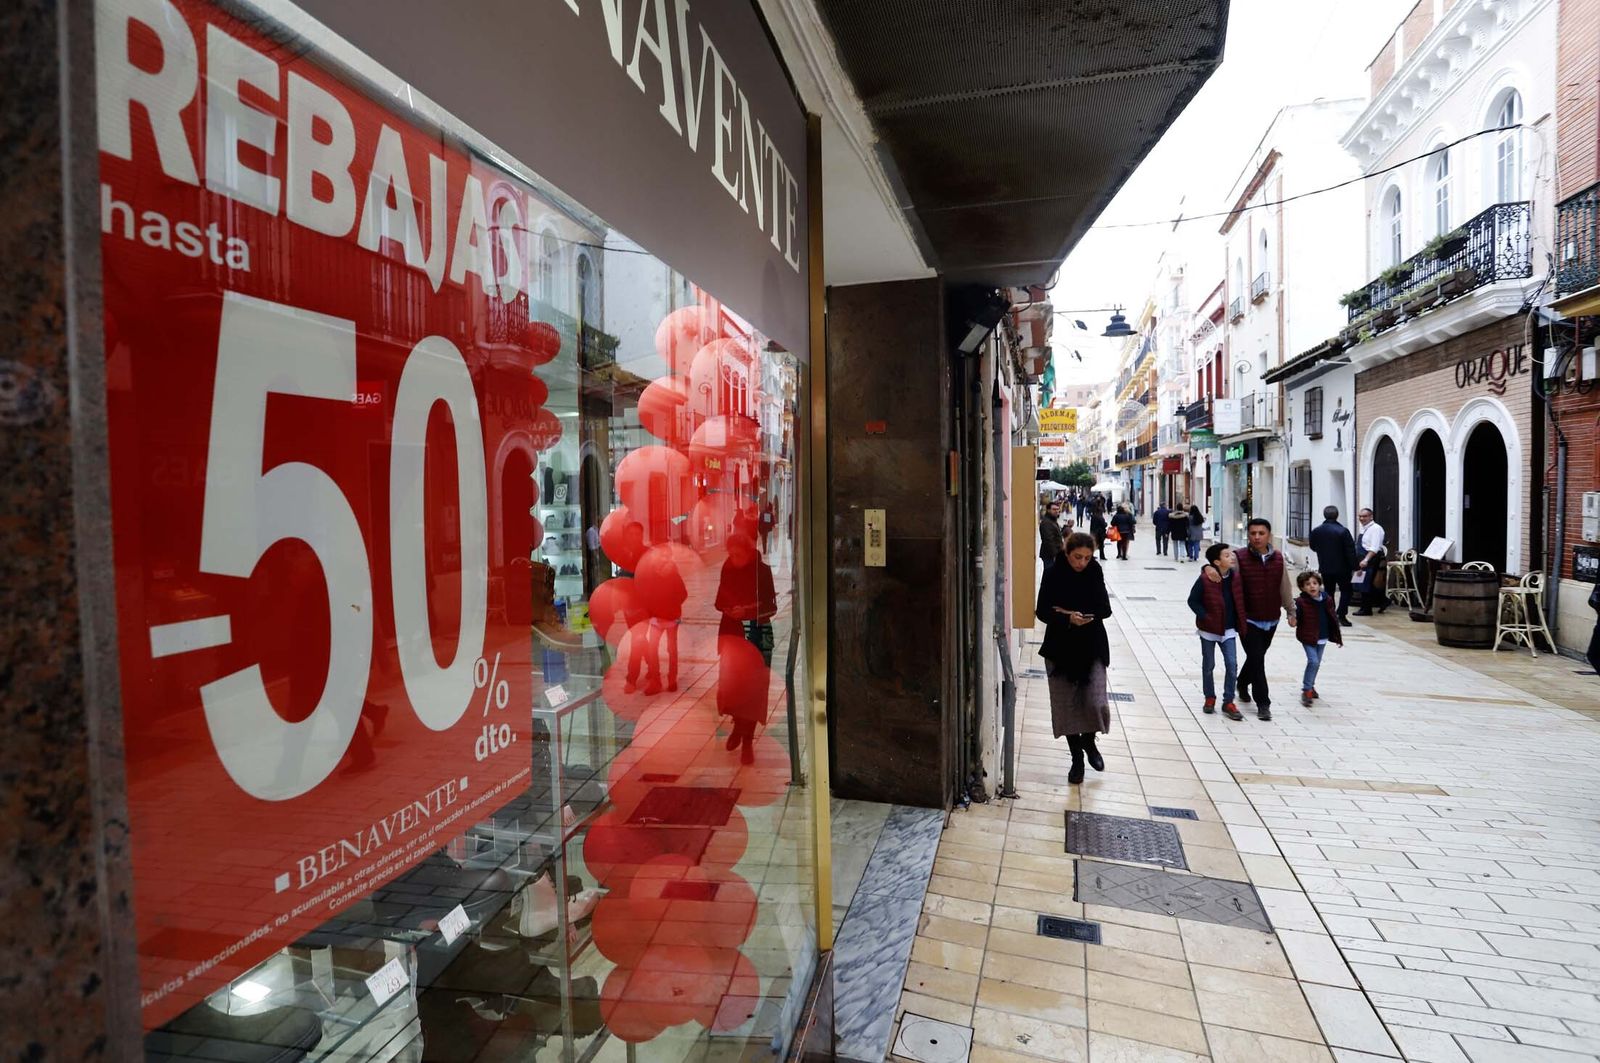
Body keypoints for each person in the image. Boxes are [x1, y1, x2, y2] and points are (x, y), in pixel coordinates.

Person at [1034, 531, 1113, 785]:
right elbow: (1043, 611)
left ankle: (1089, 742)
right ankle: (1076, 758)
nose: (1082, 563)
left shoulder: (1094, 571)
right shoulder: (1054, 572)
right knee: (1066, 705)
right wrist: (1067, 618)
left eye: (1087, 558)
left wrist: (1077, 613)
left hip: (1092, 646)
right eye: (1077, 557)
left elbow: (1105, 609)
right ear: (1067, 553)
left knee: (1095, 701)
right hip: (1061, 648)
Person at [715, 533, 778, 763]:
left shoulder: (762, 571)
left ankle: (747, 740)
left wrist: (748, 612)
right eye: (730, 554)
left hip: (758, 634)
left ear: (749, 552)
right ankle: (738, 728)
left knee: (754, 689)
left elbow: (772, 606)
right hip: (732, 632)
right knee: (732, 687)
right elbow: (718, 600)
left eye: (738, 554)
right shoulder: (728, 567)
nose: (734, 558)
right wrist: (730, 609)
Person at [1230, 517, 1295, 721]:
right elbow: (1224, 575)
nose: (1257, 537)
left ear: (1268, 535)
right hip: (1248, 619)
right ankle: (1263, 703)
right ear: (1248, 535)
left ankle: (1241, 682)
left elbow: (1284, 586)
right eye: (1253, 533)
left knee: (1256, 657)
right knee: (1258, 661)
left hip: (1271, 619)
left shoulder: (1277, 558)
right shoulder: (1239, 557)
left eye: (1261, 533)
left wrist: (1291, 611)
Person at [1188, 541, 1244, 718]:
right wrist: (1205, 616)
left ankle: (1228, 701)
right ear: (1217, 562)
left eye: (1231, 554)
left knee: (1232, 665)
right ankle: (1209, 697)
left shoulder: (1235, 576)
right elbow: (1193, 600)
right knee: (1209, 665)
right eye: (1227, 556)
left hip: (1228, 629)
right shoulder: (1206, 578)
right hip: (1209, 630)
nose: (1231, 557)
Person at [1294, 570, 1342, 706]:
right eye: (1307, 584)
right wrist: (1292, 618)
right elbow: (1295, 617)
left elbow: (1332, 617)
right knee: (1313, 661)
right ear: (1302, 588)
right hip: (1308, 637)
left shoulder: (1327, 599)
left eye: (1315, 583)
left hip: (1322, 637)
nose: (1312, 586)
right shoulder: (1301, 602)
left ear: (1319, 585)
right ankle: (1306, 689)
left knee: (1317, 663)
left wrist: (1337, 636)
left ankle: (1311, 685)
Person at [1308, 506, 1359, 626]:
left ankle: (1330, 614)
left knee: (1329, 591)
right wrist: (1355, 566)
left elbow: (1313, 547)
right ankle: (1341, 614)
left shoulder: (1316, 531)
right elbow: (1350, 551)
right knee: (1346, 590)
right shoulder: (1343, 531)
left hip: (1325, 566)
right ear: (1337, 515)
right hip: (1343, 567)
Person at [1352, 507, 1388, 616]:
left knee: (1366, 583)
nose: (1362, 518)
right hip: (1362, 558)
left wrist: (1366, 560)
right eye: (1360, 516)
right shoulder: (1364, 528)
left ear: (1371, 516)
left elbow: (1374, 547)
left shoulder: (1376, 529)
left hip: (1370, 558)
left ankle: (1366, 609)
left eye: (1365, 516)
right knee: (1361, 582)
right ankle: (1383, 601)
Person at [1039, 500, 1065, 569]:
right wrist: (1055, 555)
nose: (1056, 511)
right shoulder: (1046, 523)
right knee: (1049, 575)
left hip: (1052, 554)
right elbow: (1048, 541)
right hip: (1050, 555)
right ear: (1048, 510)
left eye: (1057, 509)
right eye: (1054, 509)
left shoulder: (1052, 520)